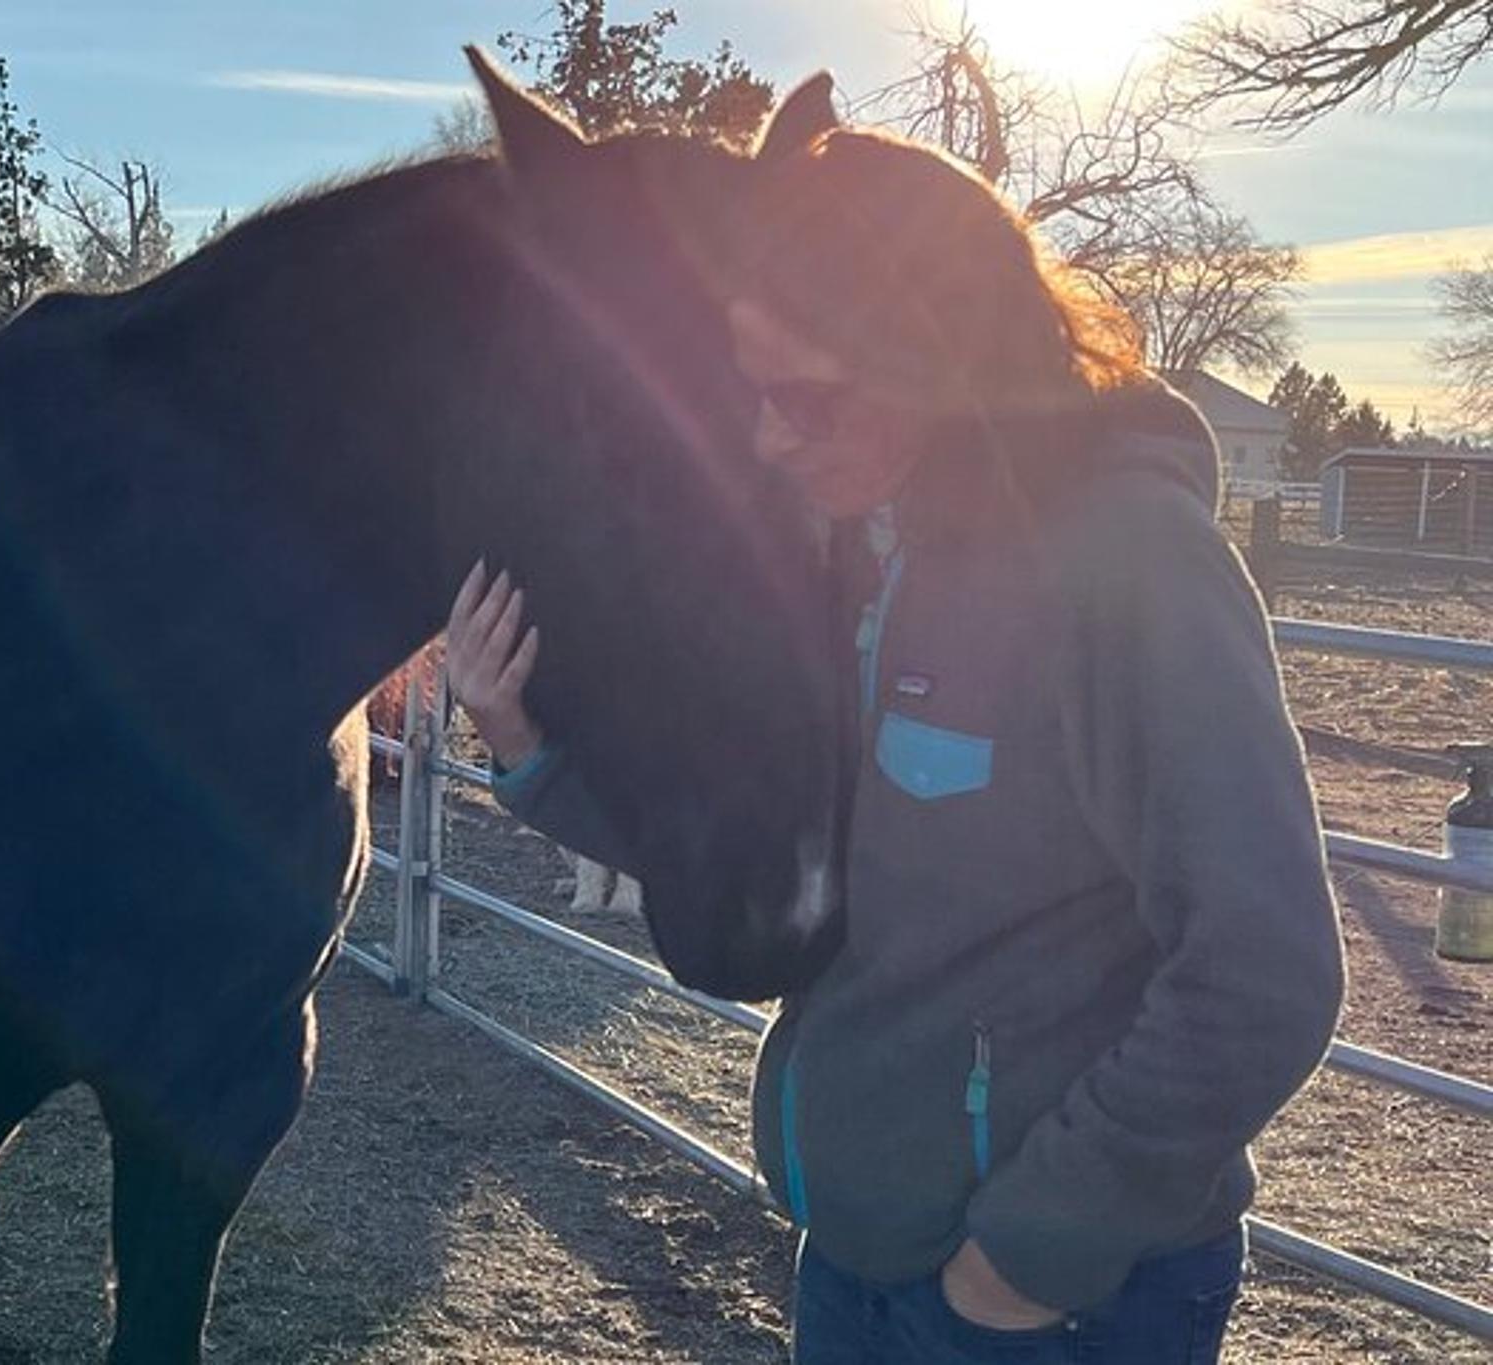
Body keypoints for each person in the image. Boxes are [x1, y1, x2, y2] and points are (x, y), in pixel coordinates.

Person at [444, 119, 1344, 1365]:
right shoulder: (865, 551)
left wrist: (1026, 1254)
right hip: (857, 1264)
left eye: (800, 398)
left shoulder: (1127, 564)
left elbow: (1265, 968)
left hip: (1049, 1304)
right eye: (747, 393)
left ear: (934, 356)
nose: (765, 439)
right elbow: (780, 850)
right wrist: (529, 752)